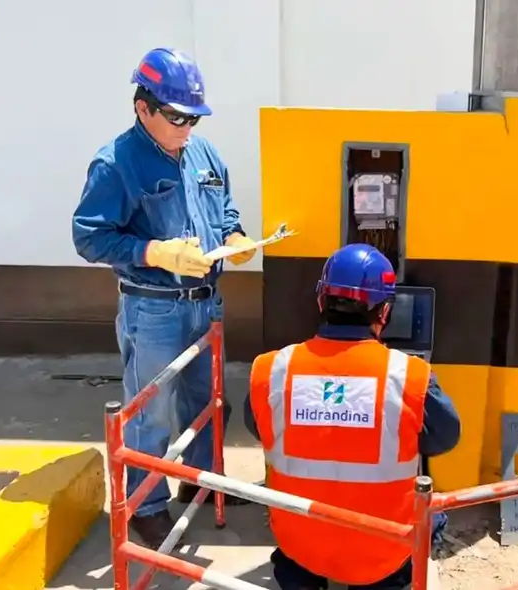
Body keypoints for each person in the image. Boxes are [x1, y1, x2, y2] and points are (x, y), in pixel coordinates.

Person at [72, 48, 257, 549]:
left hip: (205, 300)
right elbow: (89, 237)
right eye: (175, 117)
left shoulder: (204, 154)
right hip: (152, 306)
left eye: (193, 117)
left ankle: (201, 477)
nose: (185, 127)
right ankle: (145, 506)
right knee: (152, 409)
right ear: (142, 108)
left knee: (208, 398)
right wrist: (155, 251)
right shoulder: (116, 164)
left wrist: (236, 237)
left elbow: (226, 209)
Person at [245, 243, 461, 590]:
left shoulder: (272, 370)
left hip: (300, 543)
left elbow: (257, 424)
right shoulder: (409, 376)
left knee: (296, 558)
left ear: (320, 302)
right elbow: (445, 437)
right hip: (382, 551)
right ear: (384, 312)